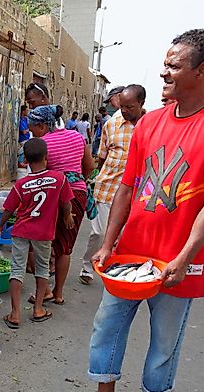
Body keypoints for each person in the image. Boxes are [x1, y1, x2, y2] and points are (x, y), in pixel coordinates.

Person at [67, 29, 204, 392]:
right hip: (132, 254)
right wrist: (106, 243)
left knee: (165, 337)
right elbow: (126, 188)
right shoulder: (150, 122)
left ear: (202, 70)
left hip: (179, 261)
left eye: (174, 66)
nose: (163, 73)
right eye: (165, 64)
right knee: (107, 325)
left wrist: (184, 254)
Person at [0, 138, 74, 327]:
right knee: (42, 270)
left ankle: (15, 314)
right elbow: (66, 203)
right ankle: (38, 309)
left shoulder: (21, 184)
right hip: (44, 233)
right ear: (46, 157)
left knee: (17, 269)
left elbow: (8, 208)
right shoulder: (59, 179)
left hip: (22, 230)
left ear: (26, 160)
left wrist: (1, 224)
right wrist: (68, 217)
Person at [28, 104, 96, 305]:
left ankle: (46, 290)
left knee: (40, 243)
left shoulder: (42, 143)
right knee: (65, 247)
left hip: (54, 195)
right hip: (78, 193)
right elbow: (90, 166)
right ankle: (58, 294)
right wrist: (76, 180)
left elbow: (39, 174)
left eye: (32, 128)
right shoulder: (76, 136)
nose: (31, 132)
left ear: (41, 126)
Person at [80, 85, 147, 284]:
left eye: (130, 107)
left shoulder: (150, 125)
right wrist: (96, 177)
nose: (124, 110)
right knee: (98, 233)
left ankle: (116, 270)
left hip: (135, 192)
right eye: (122, 105)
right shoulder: (112, 124)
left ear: (141, 104)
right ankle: (86, 265)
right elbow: (102, 156)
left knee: (124, 237)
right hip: (108, 187)